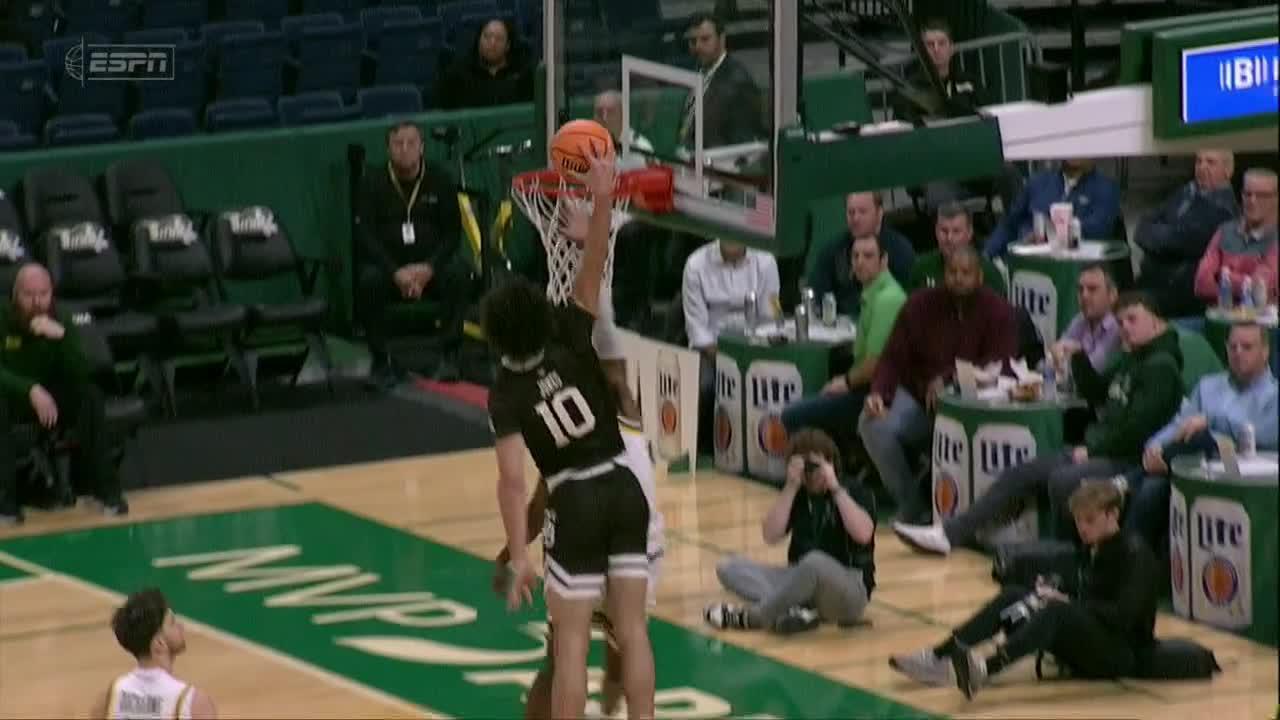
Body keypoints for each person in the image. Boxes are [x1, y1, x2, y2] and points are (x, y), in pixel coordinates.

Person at [483, 154, 655, 720]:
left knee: (571, 648)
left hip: (574, 498)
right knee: (631, 631)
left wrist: (519, 556)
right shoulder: (568, 332)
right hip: (624, 482)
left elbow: (513, 484)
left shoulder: (506, 392)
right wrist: (603, 197)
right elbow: (594, 264)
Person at [894, 291, 1184, 553]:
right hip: (1100, 448)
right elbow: (1097, 393)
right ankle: (948, 533)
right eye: (1121, 322)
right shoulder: (1131, 358)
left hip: (1129, 460)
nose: (1125, 328)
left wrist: (1092, 451)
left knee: (1062, 480)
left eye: (1133, 320)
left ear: (1157, 323)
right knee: (1019, 473)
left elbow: (1138, 431)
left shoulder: (1162, 368)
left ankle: (1066, 555)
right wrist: (1079, 357)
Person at [889, 480, 1157, 700]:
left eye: (1089, 520)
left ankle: (985, 669)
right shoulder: (1092, 547)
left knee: (1056, 611)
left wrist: (1067, 601)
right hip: (1090, 634)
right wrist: (1051, 589)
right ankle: (939, 656)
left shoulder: (1135, 554)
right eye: (1078, 521)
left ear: (1113, 515)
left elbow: (1123, 615)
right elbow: (1084, 589)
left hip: (1119, 651)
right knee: (1015, 596)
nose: (1082, 528)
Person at [859, 247, 1017, 523]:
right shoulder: (919, 305)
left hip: (970, 409)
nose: (958, 278)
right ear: (944, 275)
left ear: (979, 277)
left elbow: (1002, 362)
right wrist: (878, 393)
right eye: (952, 272)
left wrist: (949, 377)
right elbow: (892, 357)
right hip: (920, 404)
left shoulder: (998, 311)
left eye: (966, 273)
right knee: (871, 423)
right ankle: (911, 503)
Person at [704, 429, 876, 634]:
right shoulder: (797, 492)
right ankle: (794, 610)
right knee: (728, 567)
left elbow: (864, 534)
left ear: (830, 463)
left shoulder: (854, 490)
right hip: (799, 579)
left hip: (848, 589)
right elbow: (770, 535)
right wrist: (791, 486)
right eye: (804, 466)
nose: (810, 473)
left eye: (815, 466)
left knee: (814, 561)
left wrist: (835, 488)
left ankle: (755, 617)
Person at [1129, 322, 1277, 558]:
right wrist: (1155, 447)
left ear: (1265, 351)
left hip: (1236, 476)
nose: (1238, 352)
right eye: (1233, 346)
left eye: (1247, 347)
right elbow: (1179, 423)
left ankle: (1125, 483)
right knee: (1153, 486)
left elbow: (1265, 435)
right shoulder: (1208, 385)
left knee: (1194, 443)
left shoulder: (1274, 395)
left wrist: (1212, 420)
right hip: (1186, 468)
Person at [0, 263, 127, 523]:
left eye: (43, 294)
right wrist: (30, 390)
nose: (37, 302)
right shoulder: (2, 317)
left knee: (89, 395)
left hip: (50, 397)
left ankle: (107, 492)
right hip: (12, 394)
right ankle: (6, 504)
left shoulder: (61, 317)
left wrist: (62, 336)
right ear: (15, 296)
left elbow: (81, 370)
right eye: (29, 294)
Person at [355, 122, 469, 386]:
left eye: (411, 143)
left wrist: (428, 269)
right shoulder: (371, 182)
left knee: (458, 273)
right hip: (390, 269)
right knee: (368, 279)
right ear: (388, 149)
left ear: (422, 147)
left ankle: (450, 356)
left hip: (430, 268)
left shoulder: (440, 179)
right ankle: (381, 360)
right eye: (398, 144)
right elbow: (365, 237)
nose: (405, 150)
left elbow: (452, 234)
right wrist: (395, 272)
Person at [782, 235, 906, 447]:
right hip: (865, 385)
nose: (860, 262)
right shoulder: (873, 293)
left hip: (875, 393)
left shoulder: (887, 299)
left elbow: (875, 364)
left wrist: (845, 382)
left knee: (792, 415)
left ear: (883, 260)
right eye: (855, 256)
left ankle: (815, 474)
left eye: (868, 256)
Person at [90, 588, 217, 719]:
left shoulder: (108, 699)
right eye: (172, 623)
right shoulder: (193, 702)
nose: (181, 626)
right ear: (159, 643)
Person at [1050, 263, 1121, 373]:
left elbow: (1093, 368)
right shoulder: (1080, 320)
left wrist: (1078, 353)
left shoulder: (1118, 326)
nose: (1084, 296)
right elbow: (1055, 354)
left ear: (1112, 295)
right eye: (1080, 289)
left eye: (1092, 289)